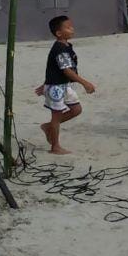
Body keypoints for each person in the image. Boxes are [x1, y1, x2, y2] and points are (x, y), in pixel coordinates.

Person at [35, 15, 95, 155]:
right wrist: (85, 83)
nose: (72, 29)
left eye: (71, 26)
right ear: (59, 33)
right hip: (55, 87)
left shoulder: (66, 46)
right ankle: (55, 146)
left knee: (76, 109)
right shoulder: (60, 49)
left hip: (64, 85)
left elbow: (52, 68)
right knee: (56, 116)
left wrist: (44, 83)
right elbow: (66, 70)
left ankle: (47, 127)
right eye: (68, 27)